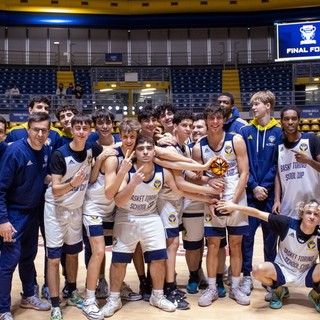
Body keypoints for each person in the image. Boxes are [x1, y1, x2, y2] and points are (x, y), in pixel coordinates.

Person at [101, 134, 215, 317]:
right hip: (126, 216)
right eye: (141, 148)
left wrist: (207, 197)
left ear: (155, 151)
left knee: (159, 258)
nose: (145, 152)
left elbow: (180, 190)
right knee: (118, 261)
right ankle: (113, 299)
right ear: (135, 152)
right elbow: (119, 201)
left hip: (150, 216)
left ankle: (158, 295)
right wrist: (133, 183)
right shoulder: (127, 169)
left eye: (149, 148)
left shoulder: (163, 171)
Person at [44, 114, 103, 320]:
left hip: (76, 209)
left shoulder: (92, 148)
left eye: (85, 128)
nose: (81, 132)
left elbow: (110, 150)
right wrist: (74, 183)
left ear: (89, 131)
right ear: (72, 129)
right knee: (53, 258)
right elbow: (56, 188)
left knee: (72, 253)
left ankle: (70, 291)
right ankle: (54, 304)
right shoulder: (60, 154)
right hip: (56, 208)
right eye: (77, 128)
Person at [216, 198, 320, 312]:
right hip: (283, 271)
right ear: (302, 214)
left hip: (305, 274)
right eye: (308, 213)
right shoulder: (287, 223)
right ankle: (278, 289)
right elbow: (258, 213)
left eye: (316, 214)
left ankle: (316, 293)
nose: (312, 216)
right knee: (257, 270)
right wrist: (235, 207)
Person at [192, 103, 250, 306]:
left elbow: (244, 172)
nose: (215, 122)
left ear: (224, 119)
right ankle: (212, 288)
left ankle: (234, 287)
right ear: (206, 120)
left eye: (219, 118)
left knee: (235, 244)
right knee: (213, 246)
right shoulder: (199, 146)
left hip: (235, 198)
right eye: (211, 118)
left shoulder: (236, 141)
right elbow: (196, 177)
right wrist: (208, 190)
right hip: (212, 200)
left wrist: (234, 201)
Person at [0, 112, 52, 320]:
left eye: (44, 130)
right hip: (13, 215)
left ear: (48, 131)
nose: (40, 134)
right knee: (9, 262)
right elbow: (1, 189)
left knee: (28, 258)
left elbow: (43, 176)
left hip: (32, 213)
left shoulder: (46, 149)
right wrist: (3, 220)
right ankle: (3, 309)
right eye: (36, 130)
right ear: (28, 130)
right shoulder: (15, 152)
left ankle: (28, 295)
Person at [239, 90, 282, 296]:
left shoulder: (279, 132)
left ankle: (269, 277)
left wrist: (263, 187)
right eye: (252, 104)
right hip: (250, 194)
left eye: (257, 104)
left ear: (268, 106)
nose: (253, 108)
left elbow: (277, 164)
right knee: (247, 239)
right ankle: (247, 276)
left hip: (270, 196)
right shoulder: (246, 131)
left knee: (270, 240)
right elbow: (243, 165)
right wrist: (254, 186)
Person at [273, 106, 320, 219]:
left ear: (298, 121)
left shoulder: (311, 139)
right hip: (288, 206)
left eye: (293, 119)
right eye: (286, 119)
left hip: (312, 206)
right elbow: (278, 176)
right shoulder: (278, 146)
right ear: (281, 122)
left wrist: (308, 161)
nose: (290, 122)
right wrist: (277, 200)